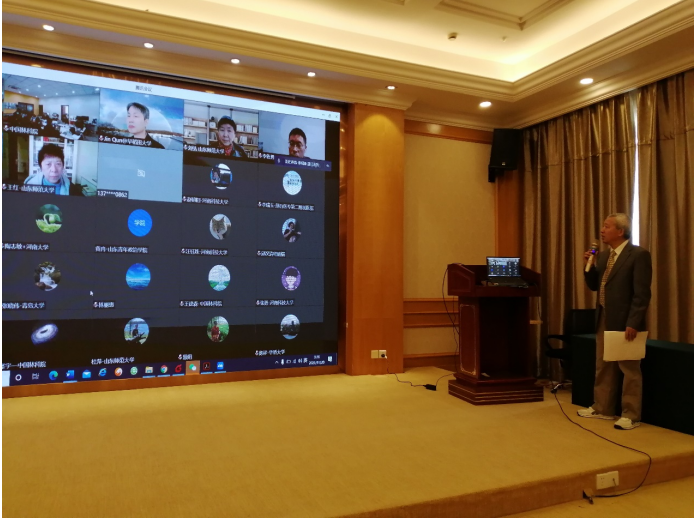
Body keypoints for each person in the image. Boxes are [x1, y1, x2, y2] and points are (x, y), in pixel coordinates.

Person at [577, 213, 652, 430]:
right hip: (604, 316)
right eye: (603, 226)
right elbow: (595, 286)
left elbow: (642, 294)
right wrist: (589, 266)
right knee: (604, 365)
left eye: (607, 226)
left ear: (620, 231)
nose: (602, 230)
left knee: (629, 368)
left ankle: (631, 414)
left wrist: (633, 322)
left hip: (626, 321)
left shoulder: (638, 255)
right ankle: (603, 408)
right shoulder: (603, 257)